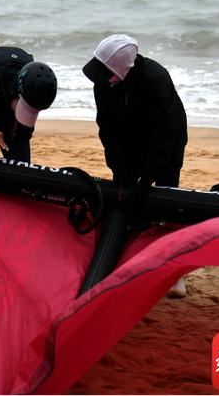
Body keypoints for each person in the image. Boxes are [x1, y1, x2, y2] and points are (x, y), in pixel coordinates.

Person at [82, 34, 189, 298]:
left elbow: (165, 135)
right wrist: (117, 166)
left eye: (105, 72)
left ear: (121, 70)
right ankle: (131, 255)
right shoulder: (103, 83)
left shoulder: (156, 79)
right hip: (128, 139)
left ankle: (176, 274)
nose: (100, 78)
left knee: (165, 196)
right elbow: (106, 128)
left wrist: (147, 179)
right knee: (127, 196)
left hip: (167, 139)